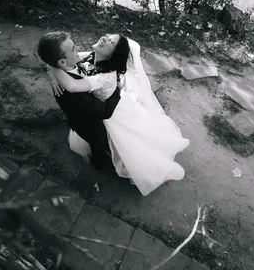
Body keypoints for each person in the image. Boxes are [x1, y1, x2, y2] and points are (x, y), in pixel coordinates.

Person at [47, 33, 190, 196]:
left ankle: (127, 164)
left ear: (112, 54)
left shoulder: (106, 75)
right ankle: (103, 153)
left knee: (126, 141)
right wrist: (51, 66)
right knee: (105, 137)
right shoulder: (93, 55)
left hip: (113, 111)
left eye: (110, 41)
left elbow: (72, 86)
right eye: (107, 36)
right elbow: (62, 57)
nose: (104, 38)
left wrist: (53, 68)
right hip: (100, 106)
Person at [36, 32, 122, 170]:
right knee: (98, 145)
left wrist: (51, 68)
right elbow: (105, 111)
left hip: (84, 114)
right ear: (62, 62)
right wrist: (118, 90)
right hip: (90, 126)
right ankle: (99, 164)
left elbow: (56, 62)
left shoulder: (68, 64)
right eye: (73, 49)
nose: (78, 48)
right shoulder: (75, 95)